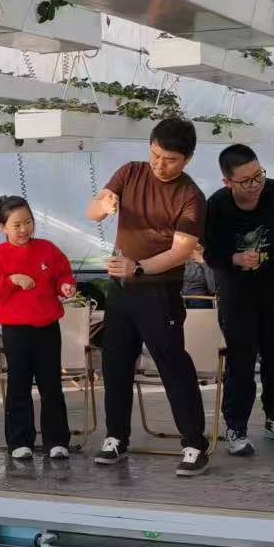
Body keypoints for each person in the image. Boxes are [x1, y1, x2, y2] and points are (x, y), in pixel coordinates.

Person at [86, 117, 210, 476]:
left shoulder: (190, 196)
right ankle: (116, 437)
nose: (160, 164)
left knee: (172, 364)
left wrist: (138, 268)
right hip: (120, 289)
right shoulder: (130, 172)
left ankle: (194, 443)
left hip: (160, 291)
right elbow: (93, 211)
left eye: (170, 160)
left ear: (187, 158)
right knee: (115, 364)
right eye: (155, 155)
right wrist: (104, 203)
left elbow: (181, 251)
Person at [202, 143, 274, 455]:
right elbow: (210, 252)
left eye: (259, 175)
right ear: (228, 182)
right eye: (246, 180)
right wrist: (234, 258)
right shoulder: (217, 205)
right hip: (236, 292)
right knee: (241, 359)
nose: (256, 184)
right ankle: (236, 426)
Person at [0, 196, 75, 462]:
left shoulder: (47, 249)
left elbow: (63, 274)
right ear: (3, 227)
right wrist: (12, 280)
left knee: (51, 384)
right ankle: (20, 441)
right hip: (16, 331)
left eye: (28, 222)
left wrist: (65, 286)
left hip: (47, 327)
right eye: (17, 225)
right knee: (19, 384)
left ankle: (57, 440)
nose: (24, 229)